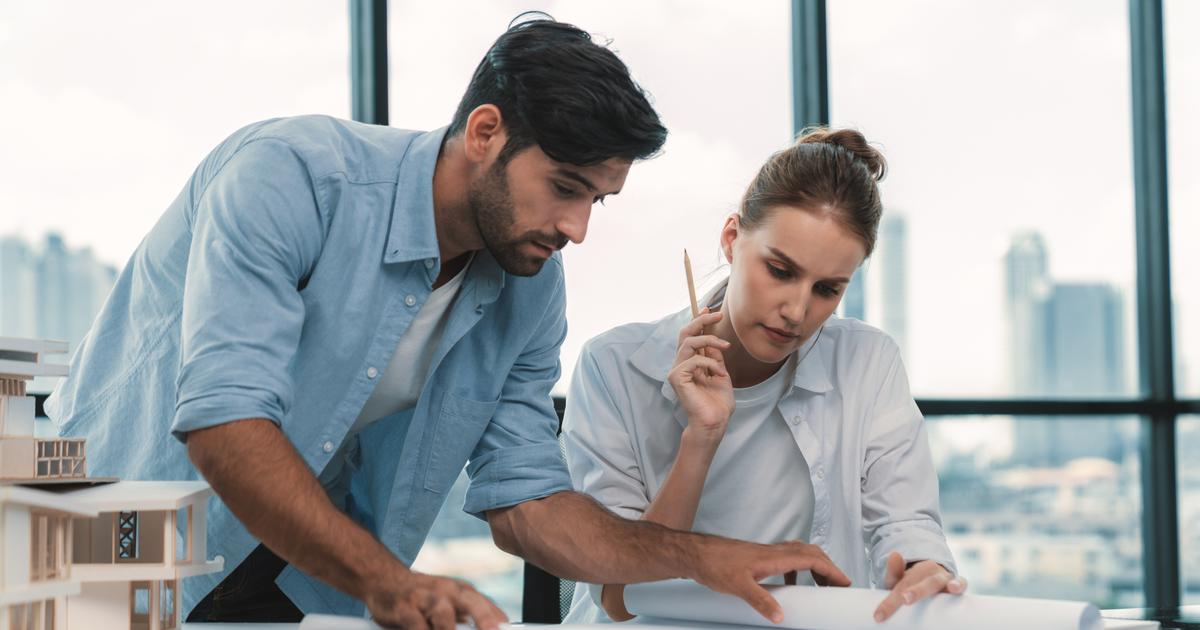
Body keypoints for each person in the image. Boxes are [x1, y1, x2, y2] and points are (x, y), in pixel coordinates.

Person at [46, 16, 851, 628]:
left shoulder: (532, 290)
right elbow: (226, 418)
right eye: (565, 187)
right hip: (105, 543)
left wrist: (702, 557)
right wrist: (391, 583)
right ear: (485, 132)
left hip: (297, 578)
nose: (578, 228)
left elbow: (528, 501)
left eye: (597, 201)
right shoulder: (291, 178)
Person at [562, 128, 967, 625]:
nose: (796, 311)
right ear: (732, 239)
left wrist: (922, 568)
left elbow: (905, 522)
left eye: (827, 289)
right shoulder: (613, 367)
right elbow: (621, 599)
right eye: (779, 270)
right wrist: (702, 437)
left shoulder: (868, 360)